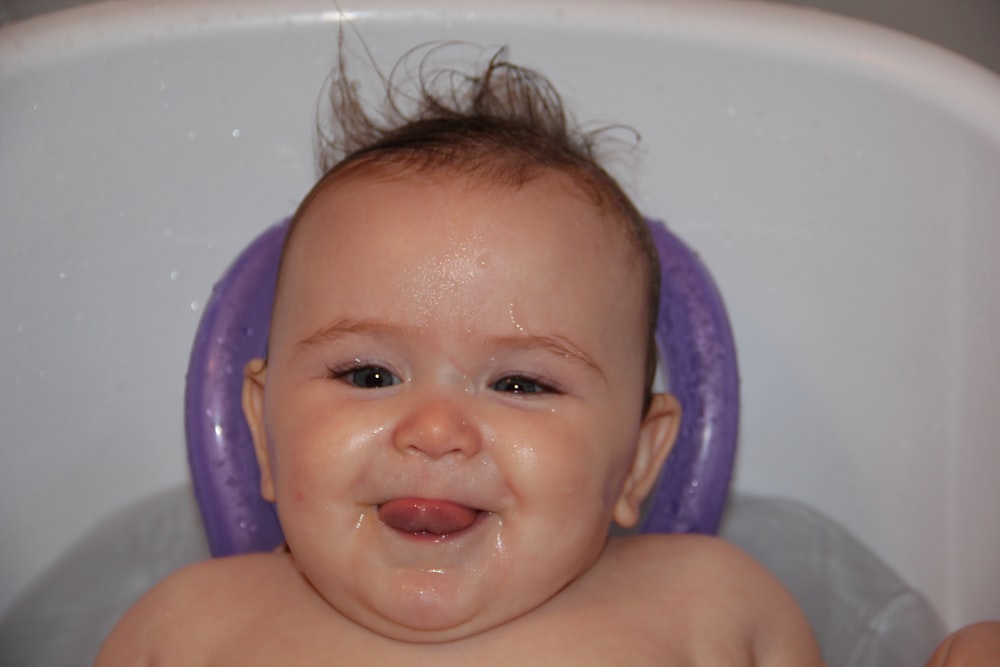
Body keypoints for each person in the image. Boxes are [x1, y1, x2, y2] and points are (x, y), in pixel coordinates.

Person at [96, 43, 828, 665]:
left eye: (520, 382)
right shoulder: (188, 630)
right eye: (369, 373)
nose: (436, 429)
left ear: (639, 455)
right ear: (262, 429)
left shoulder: (713, 609)